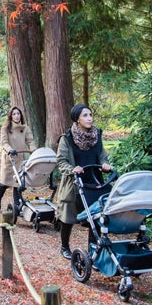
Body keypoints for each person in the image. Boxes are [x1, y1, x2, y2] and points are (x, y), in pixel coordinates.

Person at [56, 103, 112, 260]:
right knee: (68, 216)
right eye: (85, 115)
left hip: (94, 181)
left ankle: (93, 248)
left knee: (96, 215)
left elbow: (101, 155)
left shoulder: (97, 135)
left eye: (90, 115)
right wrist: (72, 169)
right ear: (77, 119)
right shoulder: (67, 138)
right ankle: (64, 246)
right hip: (74, 183)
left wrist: (105, 164)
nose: (89, 118)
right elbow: (61, 161)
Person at [0, 106, 36, 212]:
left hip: (20, 159)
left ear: (21, 115)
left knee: (17, 183)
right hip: (9, 158)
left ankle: (16, 203)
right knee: (5, 182)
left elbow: (30, 141)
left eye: (18, 114)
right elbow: (4, 142)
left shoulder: (25, 128)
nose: (16, 116)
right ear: (11, 116)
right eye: (14, 114)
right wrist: (10, 149)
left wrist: (33, 150)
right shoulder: (5, 128)